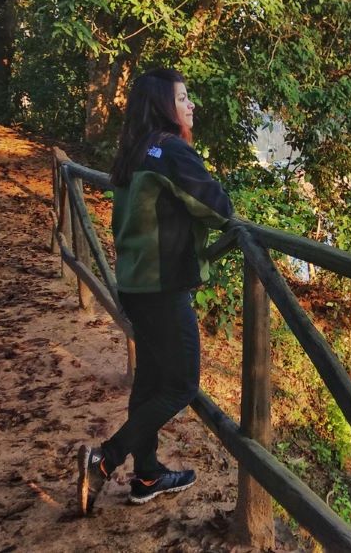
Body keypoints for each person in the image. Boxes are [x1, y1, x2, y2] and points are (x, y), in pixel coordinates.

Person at [77, 68, 234, 515]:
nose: (191, 106)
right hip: (162, 288)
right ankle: (105, 460)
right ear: (166, 106)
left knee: (149, 383)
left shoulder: (133, 151)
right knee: (182, 385)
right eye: (184, 98)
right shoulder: (171, 151)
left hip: (135, 284)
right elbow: (220, 210)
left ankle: (146, 475)